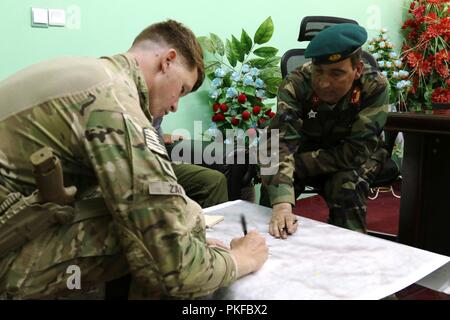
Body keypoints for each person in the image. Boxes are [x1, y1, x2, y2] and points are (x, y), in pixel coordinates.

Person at [0, 19, 268, 299]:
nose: (176, 105)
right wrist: (240, 259)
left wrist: (189, 236)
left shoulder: (94, 73)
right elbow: (177, 269)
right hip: (7, 258)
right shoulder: (114, 102)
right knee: (160, 238)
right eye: (183, 90)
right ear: (168, 61)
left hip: (14, 223)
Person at [260, 23, 389, 239]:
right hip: (309, 149)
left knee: (346, 183)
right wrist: (281, 204)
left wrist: (299, 164)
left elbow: (357, 151)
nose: (324, 83)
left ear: (357, 69)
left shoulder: (374, 85)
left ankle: (349, 248)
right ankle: (268, 246)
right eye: (318, 71)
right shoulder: (295, 84)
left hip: (357, 155)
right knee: (274, 178)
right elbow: (279, 142)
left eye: (337, 73)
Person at [152, 116, 229, 208]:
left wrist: (159, 135)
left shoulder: (155, 113)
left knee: (216, 180)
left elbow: (152, 127)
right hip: (143, 165)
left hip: (160, 159)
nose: (174, 108)